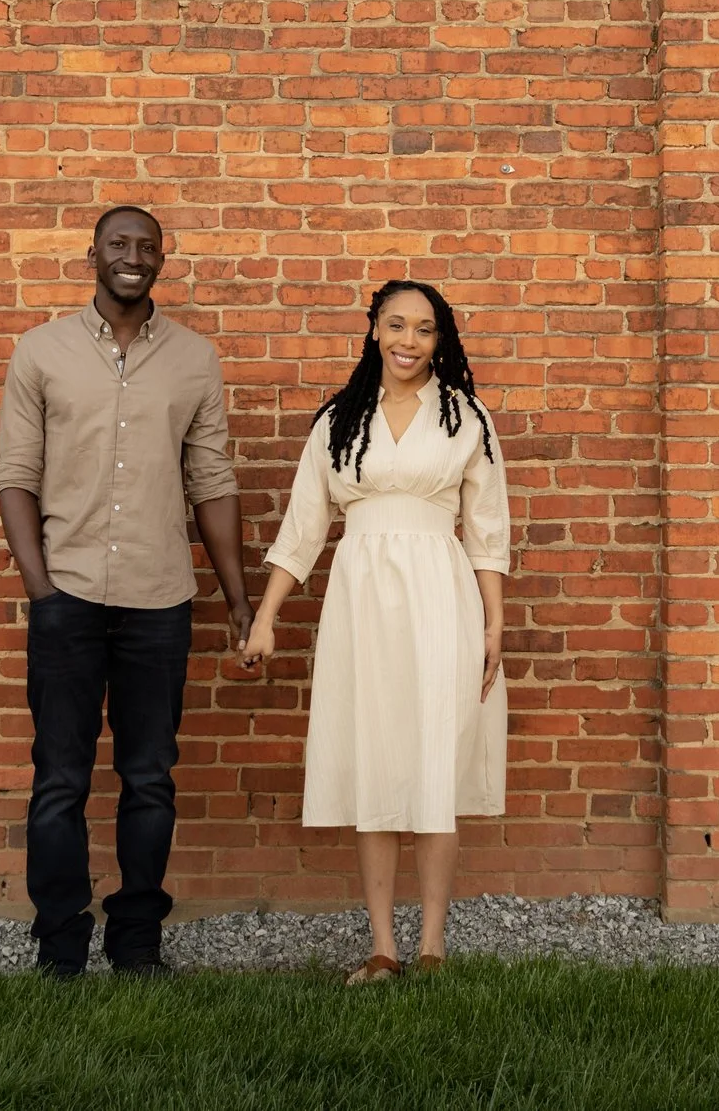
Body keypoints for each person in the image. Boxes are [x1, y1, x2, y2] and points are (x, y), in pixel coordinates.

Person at [0, 205, 251, 978]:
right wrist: (42, 589)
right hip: (66, 595)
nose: (132, 256)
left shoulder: (195, 360)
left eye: (146, 246)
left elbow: (210, 480)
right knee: (60, 779)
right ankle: (60, 944)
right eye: (118, 244)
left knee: (149, 777)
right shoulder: (40, 352)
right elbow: (16, 477)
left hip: (159, 599)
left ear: (162, 260)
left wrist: (237, 598)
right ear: (92, 255)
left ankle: (138, 943)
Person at [237, 279, 510, 984]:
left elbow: (486, 530)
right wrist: (266, 616)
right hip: (361, 602)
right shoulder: (337, 422)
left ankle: (434, 948)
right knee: (374, 760)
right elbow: (303, 529)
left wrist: (494, 621)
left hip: (440, 597)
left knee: (432, 763)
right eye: (396, 324)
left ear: (439, 339)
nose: (409, 341)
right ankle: (384, 947)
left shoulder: (464, 416)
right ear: (374, 331)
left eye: (424, 328)